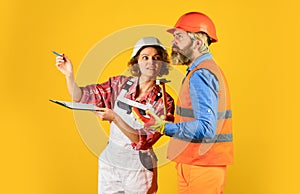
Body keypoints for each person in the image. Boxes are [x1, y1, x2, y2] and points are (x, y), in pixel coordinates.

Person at [55, 37, 175, 194]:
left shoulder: (164, 102)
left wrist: (115, 118)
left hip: (138, 166)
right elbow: (81, 96)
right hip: (110, 162)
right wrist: (69, 75)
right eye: (145, 57)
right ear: (136, 62)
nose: (150, 62)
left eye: (156, 58)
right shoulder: (119, 85)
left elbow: (144, 141)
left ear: (162, 65)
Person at [133, 12, 233, 194]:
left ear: (198, 42)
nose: (173, 42)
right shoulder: (201, 70)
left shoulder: (201, 74)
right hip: (196, 164)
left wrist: (163, 127)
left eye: (179, 36)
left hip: (202, 168)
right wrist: (175, 120)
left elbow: (206, 128)